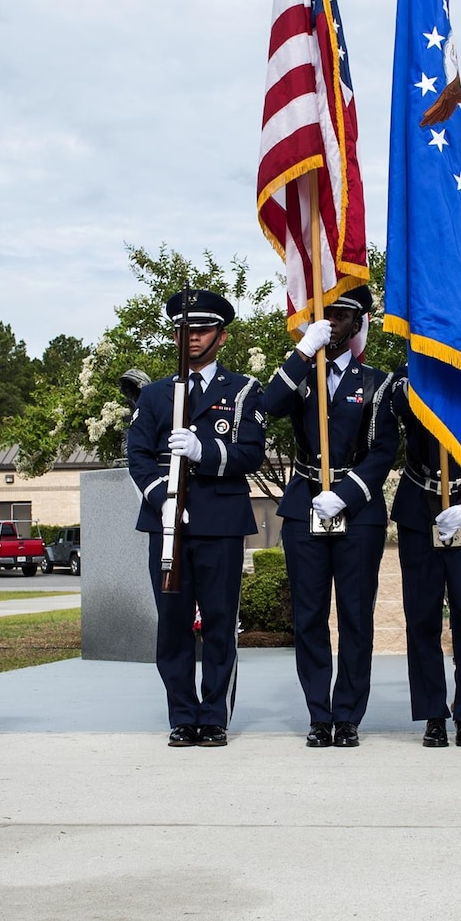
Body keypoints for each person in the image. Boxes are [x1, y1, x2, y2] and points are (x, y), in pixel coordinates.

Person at [126, 290, 266, 747]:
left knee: (221, 623)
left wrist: (205, 451)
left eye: (203, 330)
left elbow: (251, 454)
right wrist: (161, 496)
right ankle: (182, 716)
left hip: (220, 522)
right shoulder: (155, 395)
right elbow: (139, 454)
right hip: (168, 524)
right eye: (186, 330)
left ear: (221, 337)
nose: (193, 338)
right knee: (172, 623)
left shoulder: (243, 390)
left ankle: (215, 717)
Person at [263, 287, 399, 748]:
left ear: (358, 323)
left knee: (355, 615)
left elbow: (383, 451)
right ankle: (319, 714)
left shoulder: (377, 382)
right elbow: (268, 406)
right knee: (309, 616)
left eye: (342, 316)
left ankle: (348, 716)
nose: (333, 324)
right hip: (304, 505)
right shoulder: (302, 373)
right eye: (326, 315)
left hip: (356, 510)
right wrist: (303, 352)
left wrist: (345, 494)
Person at [388, 364, 461, 747]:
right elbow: (396, 407)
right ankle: (433, 714)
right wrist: (416, 381)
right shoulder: (411, 372)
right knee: (421, 617)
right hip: (419, 504)